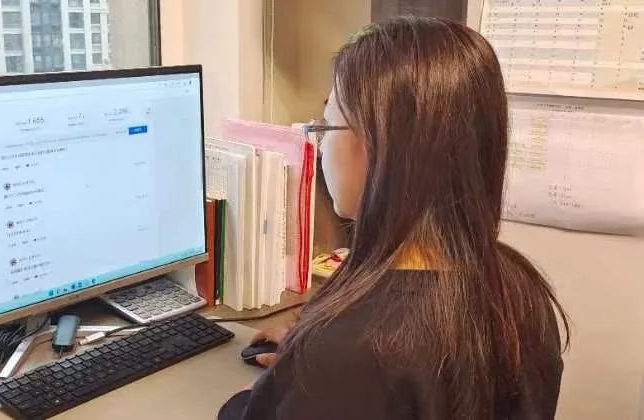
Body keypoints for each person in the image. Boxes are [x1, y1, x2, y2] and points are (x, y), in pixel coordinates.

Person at [218, 17, 569, 420]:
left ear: (377, 146)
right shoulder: (521, 291)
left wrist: (295, 380)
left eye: (326, 124)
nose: (321, 145)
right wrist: (307, 364)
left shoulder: (349, 352)